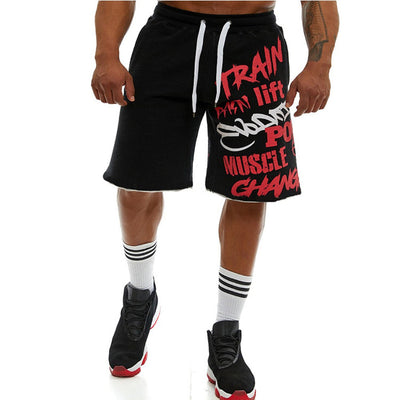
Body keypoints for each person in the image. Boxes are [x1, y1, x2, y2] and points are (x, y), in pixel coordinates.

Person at [91, 1, 339, 399]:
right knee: (136, 182)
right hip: (169, 39)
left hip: (255, 48)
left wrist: (320, 64)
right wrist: (106, 53)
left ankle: (227, 333)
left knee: (250, 192)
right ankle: (140, 297)